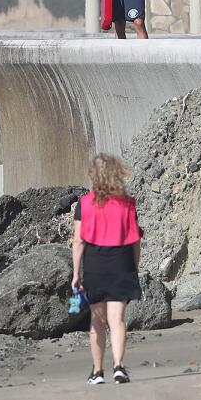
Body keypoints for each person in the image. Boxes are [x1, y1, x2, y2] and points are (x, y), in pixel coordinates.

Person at [71, 153, 142, 385]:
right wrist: (134, 266)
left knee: (97, 320)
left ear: (93, 175)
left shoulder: (84, 203)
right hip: (121, 261)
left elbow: (79, 241)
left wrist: (76, 273)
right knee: (117, 319)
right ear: (116, 174)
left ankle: (98, 372)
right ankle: (119, 367)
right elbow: (135, 240)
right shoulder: (128, 202)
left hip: (96, 263)